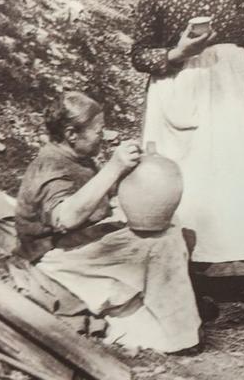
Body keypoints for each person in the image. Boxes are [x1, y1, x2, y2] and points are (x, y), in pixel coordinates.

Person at [131, 0, 244, 305]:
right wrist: (177, 53)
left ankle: (234, 271)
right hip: (179, 89)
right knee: (186, 179)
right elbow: (139, 54)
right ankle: (184, 268)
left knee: (231, 177)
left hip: (230, 90)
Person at [14, 91, 201, 353]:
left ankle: (177, 312)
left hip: (76, 247)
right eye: (98, 130)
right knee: (159, 244)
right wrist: (115, 167)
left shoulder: (77, 158)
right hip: (53, 261)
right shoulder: (49, 166)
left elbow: (102, 199)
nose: (104, 135)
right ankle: (180, 336)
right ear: (71, 134)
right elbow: (66, 218)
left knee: (171, 227)